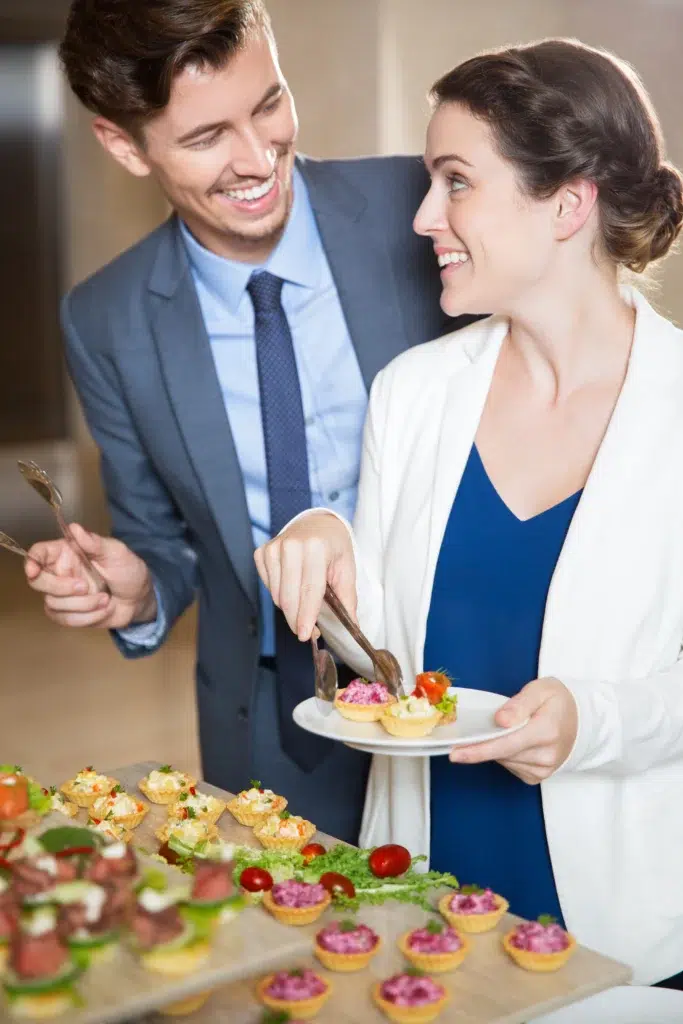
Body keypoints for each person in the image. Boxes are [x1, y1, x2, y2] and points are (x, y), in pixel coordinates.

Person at [255, 39, 683, 985]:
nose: (421, 217)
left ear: (566, 205)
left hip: (626, 924)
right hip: (420, 897)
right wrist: (326, 543)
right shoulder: (411, 393)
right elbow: (384, 652)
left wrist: (593, 721)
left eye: (455, 182)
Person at [24, 0, 469, 844]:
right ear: (124, 145)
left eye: (269, 105)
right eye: (206, 138)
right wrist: (138, 588)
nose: (258, 158)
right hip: (271, 717)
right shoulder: (106, 319)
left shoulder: (418, 206)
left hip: (473, 682)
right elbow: (161, 540)